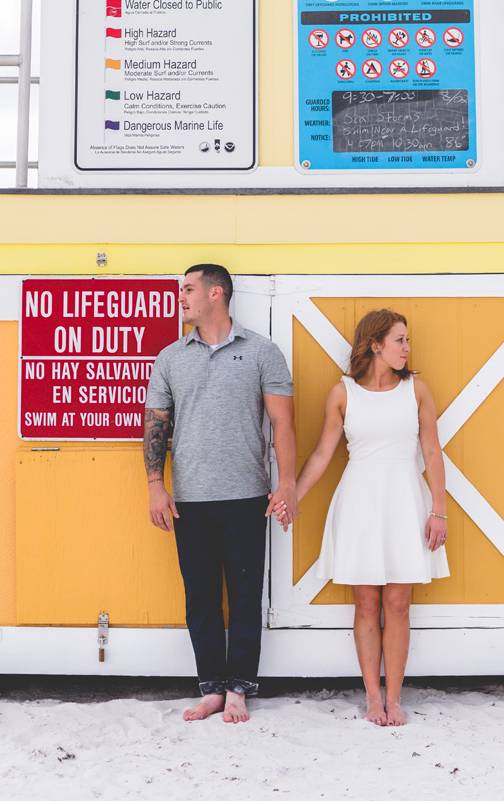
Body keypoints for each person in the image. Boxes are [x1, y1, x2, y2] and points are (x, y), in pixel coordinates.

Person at [142, 264, 298, 724]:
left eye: (188, 289)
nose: (181, 297)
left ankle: (238, 690)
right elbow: (156, 425)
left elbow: (284, 423)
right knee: (202, 597)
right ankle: (211, 688)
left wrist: (286, 482)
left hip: (248, 495)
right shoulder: (170, 357)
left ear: (216, 294)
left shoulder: (262, 352)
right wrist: (156, 486)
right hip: (189, 500)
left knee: (246, 595)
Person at [291, 309, 449, 726]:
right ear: (375, 345)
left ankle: (395, 699)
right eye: (400, 340)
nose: (407, 348)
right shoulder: (343, 393)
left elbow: (432, 451)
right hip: (360, 500)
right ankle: (373, 698)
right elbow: (324, 453)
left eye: (407, 340)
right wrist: (292, 494)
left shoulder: (417, 390)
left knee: (398, 603)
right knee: (366, 603)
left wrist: (439, 510)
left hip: (404, 499)